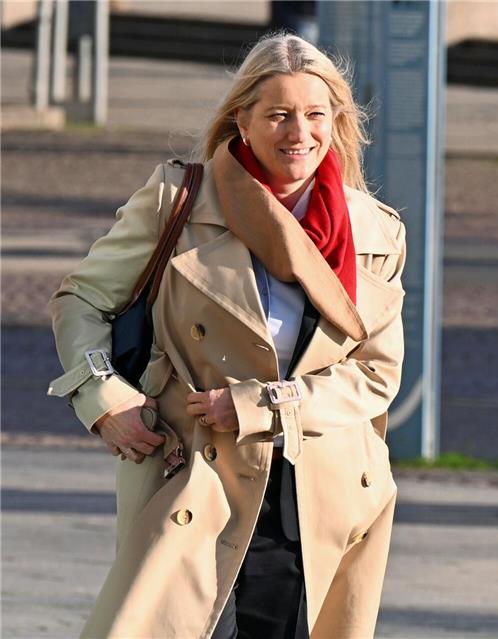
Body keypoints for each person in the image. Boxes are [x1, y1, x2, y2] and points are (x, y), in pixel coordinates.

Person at [47, 33, 406, 638]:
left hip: (318, 486)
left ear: (337, 121)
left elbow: (376, 374)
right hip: (193, 474)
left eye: (316, 114)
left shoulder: (375, 229)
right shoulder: (176, 201)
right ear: (241, 119)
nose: (300, 133)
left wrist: (260, 404)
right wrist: (103, 399)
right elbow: (78, 300)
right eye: (279, 115)